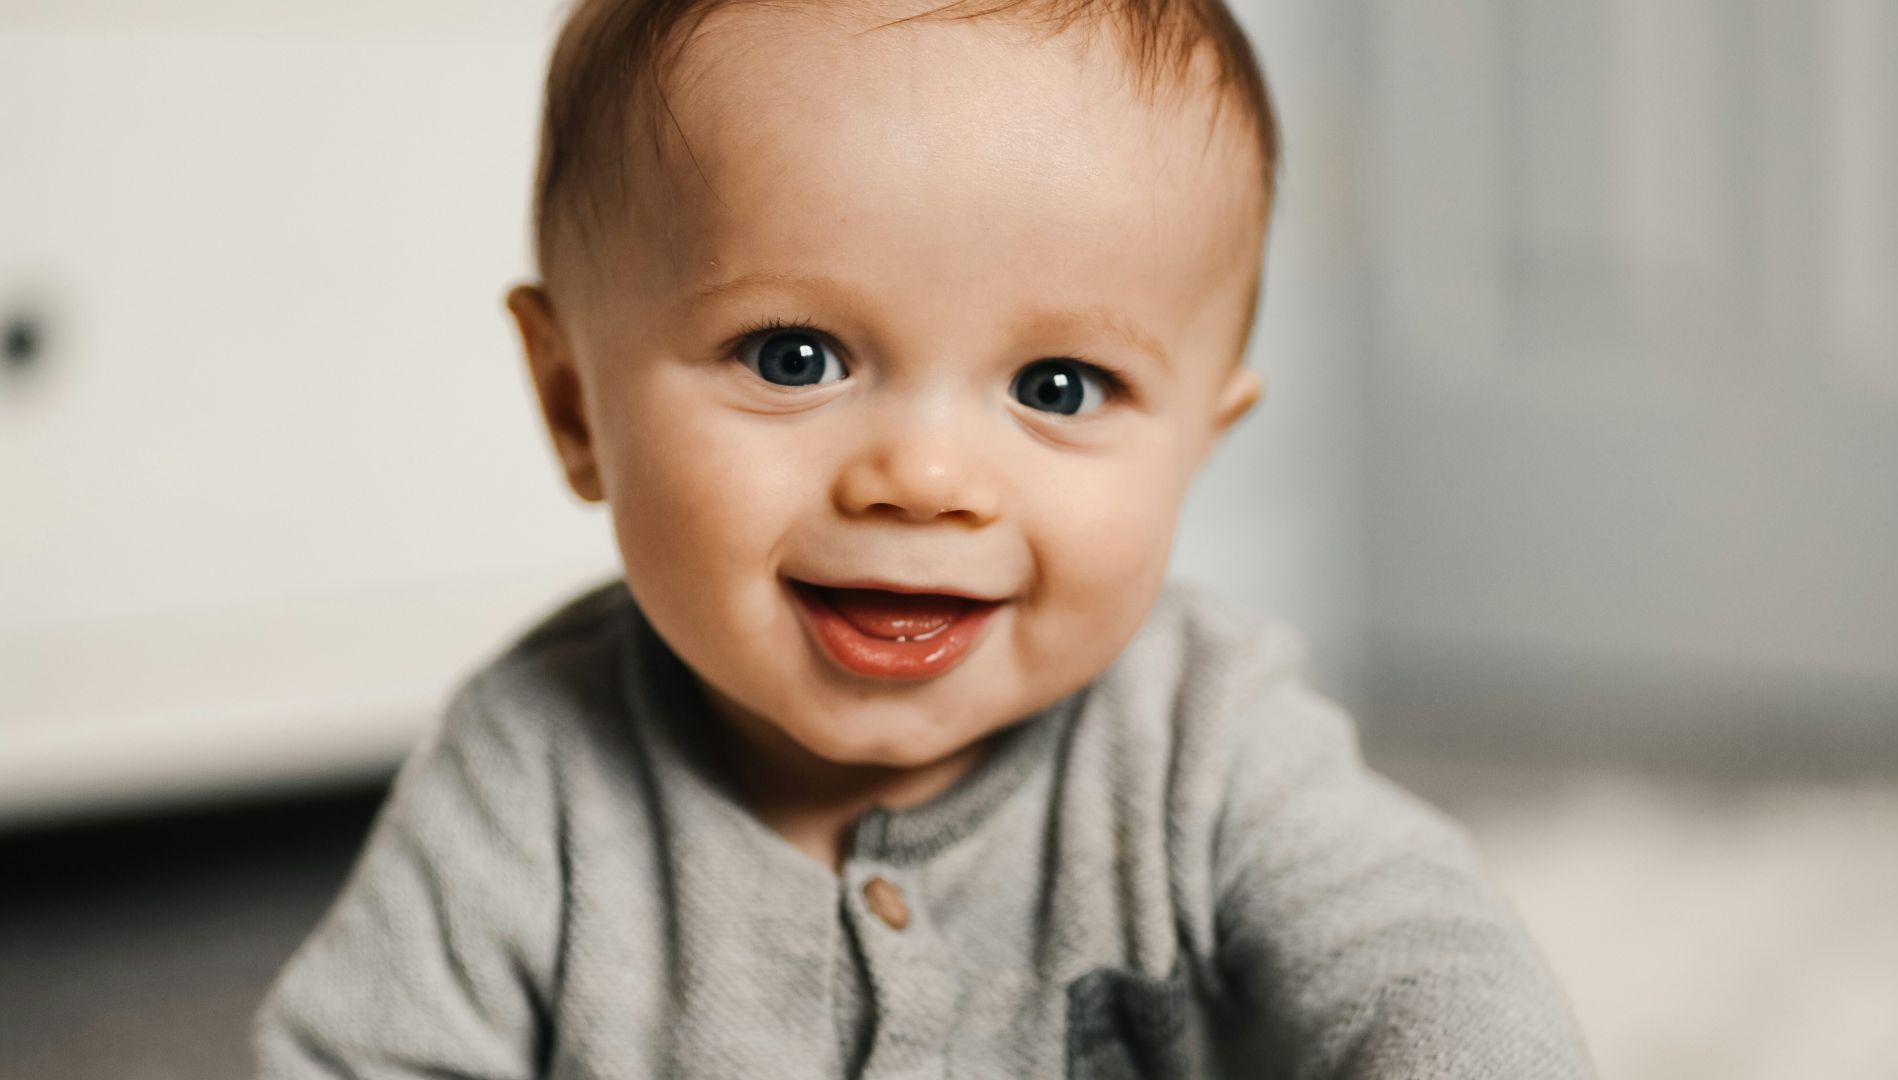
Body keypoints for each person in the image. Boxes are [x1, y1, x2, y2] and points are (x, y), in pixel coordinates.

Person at [254, 0, 1595, 1076]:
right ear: (572, 406)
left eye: (1059, 386)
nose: (927, 479)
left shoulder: (1209, 739)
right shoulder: (530, 773)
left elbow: (1427, 966)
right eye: (793, 357)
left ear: (1198, 441)